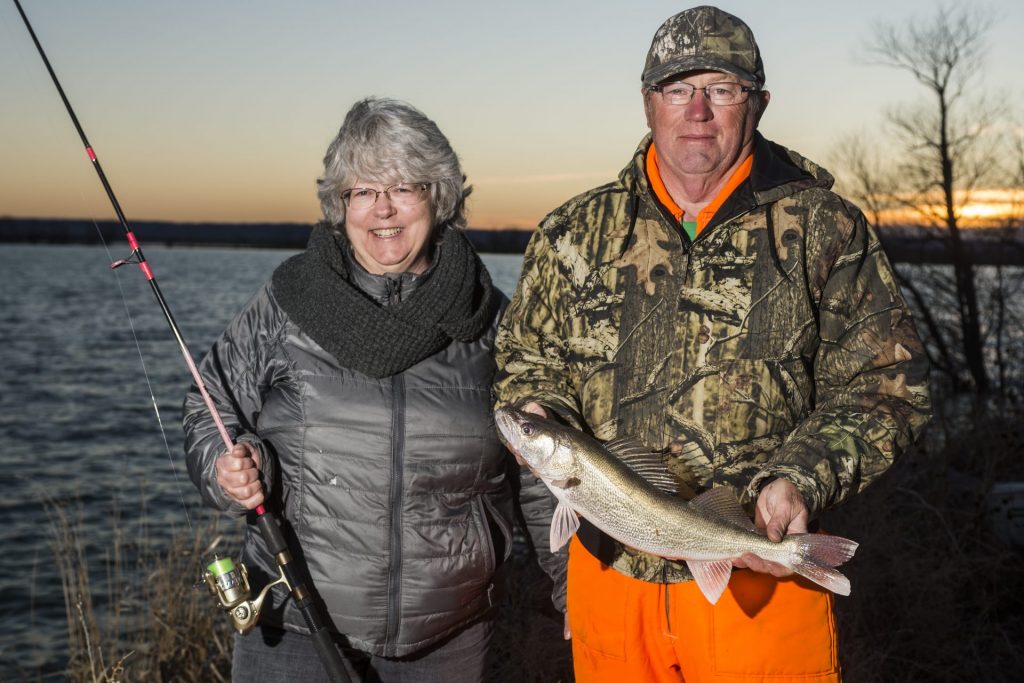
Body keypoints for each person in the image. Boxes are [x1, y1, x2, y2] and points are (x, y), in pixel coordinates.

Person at [494, 6, 932, 682]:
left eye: (721, 89)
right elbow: (525, 359)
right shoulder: (571, 233)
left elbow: (888, 383)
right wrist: (539, 408)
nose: (697, 110)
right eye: (677, 89)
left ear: (757, 104)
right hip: (612, 581)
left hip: (760, 585)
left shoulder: (824, 227)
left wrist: (801, 477)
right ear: (648, 103)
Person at [184, 97, 562, 682]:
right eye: (361, 192)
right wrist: (223, 466)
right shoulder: (289, 302)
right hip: (295, 627)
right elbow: (209, 402)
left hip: (449, 639)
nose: (382, 210)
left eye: (404, 188)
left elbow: (543, 476)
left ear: (439, 198)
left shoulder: (492, 322)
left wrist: (565, 594)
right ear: (340, 205)